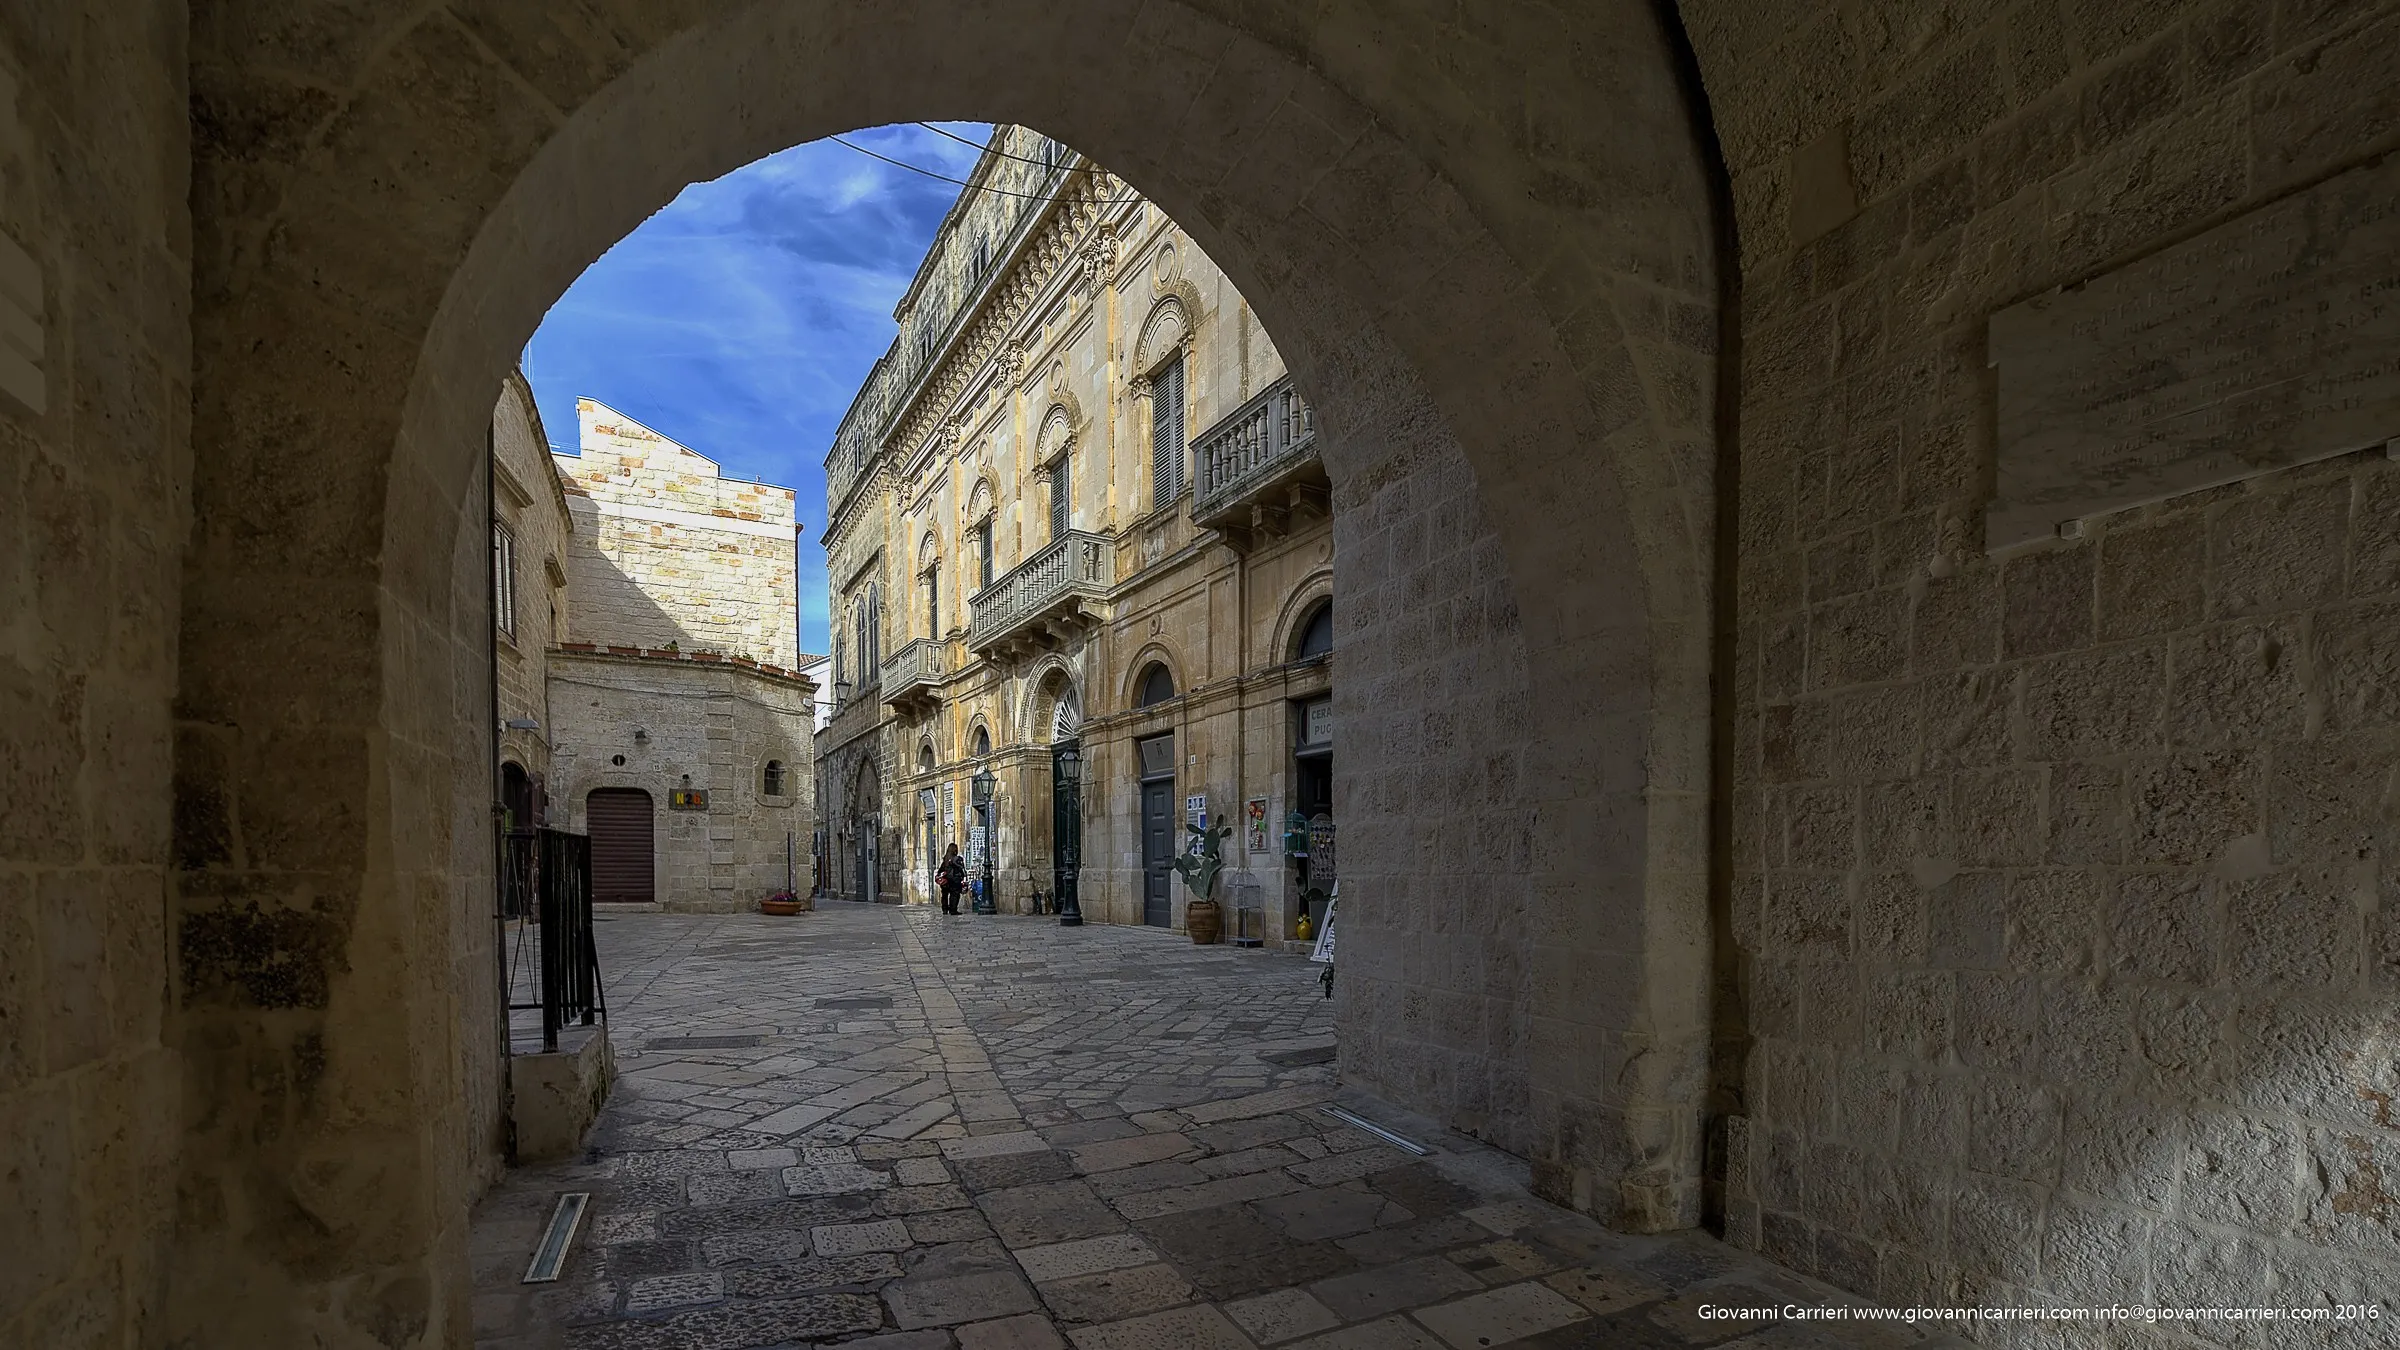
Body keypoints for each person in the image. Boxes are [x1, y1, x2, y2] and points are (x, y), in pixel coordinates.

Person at [937, 844, 967, 915]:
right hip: (954, 880)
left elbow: (940, 870)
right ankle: (953, 910)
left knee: (944, 895)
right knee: (954, 895)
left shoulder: (945, 859)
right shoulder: (956, 859)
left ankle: (945, 909)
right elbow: (960, 869)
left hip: (945, 880)